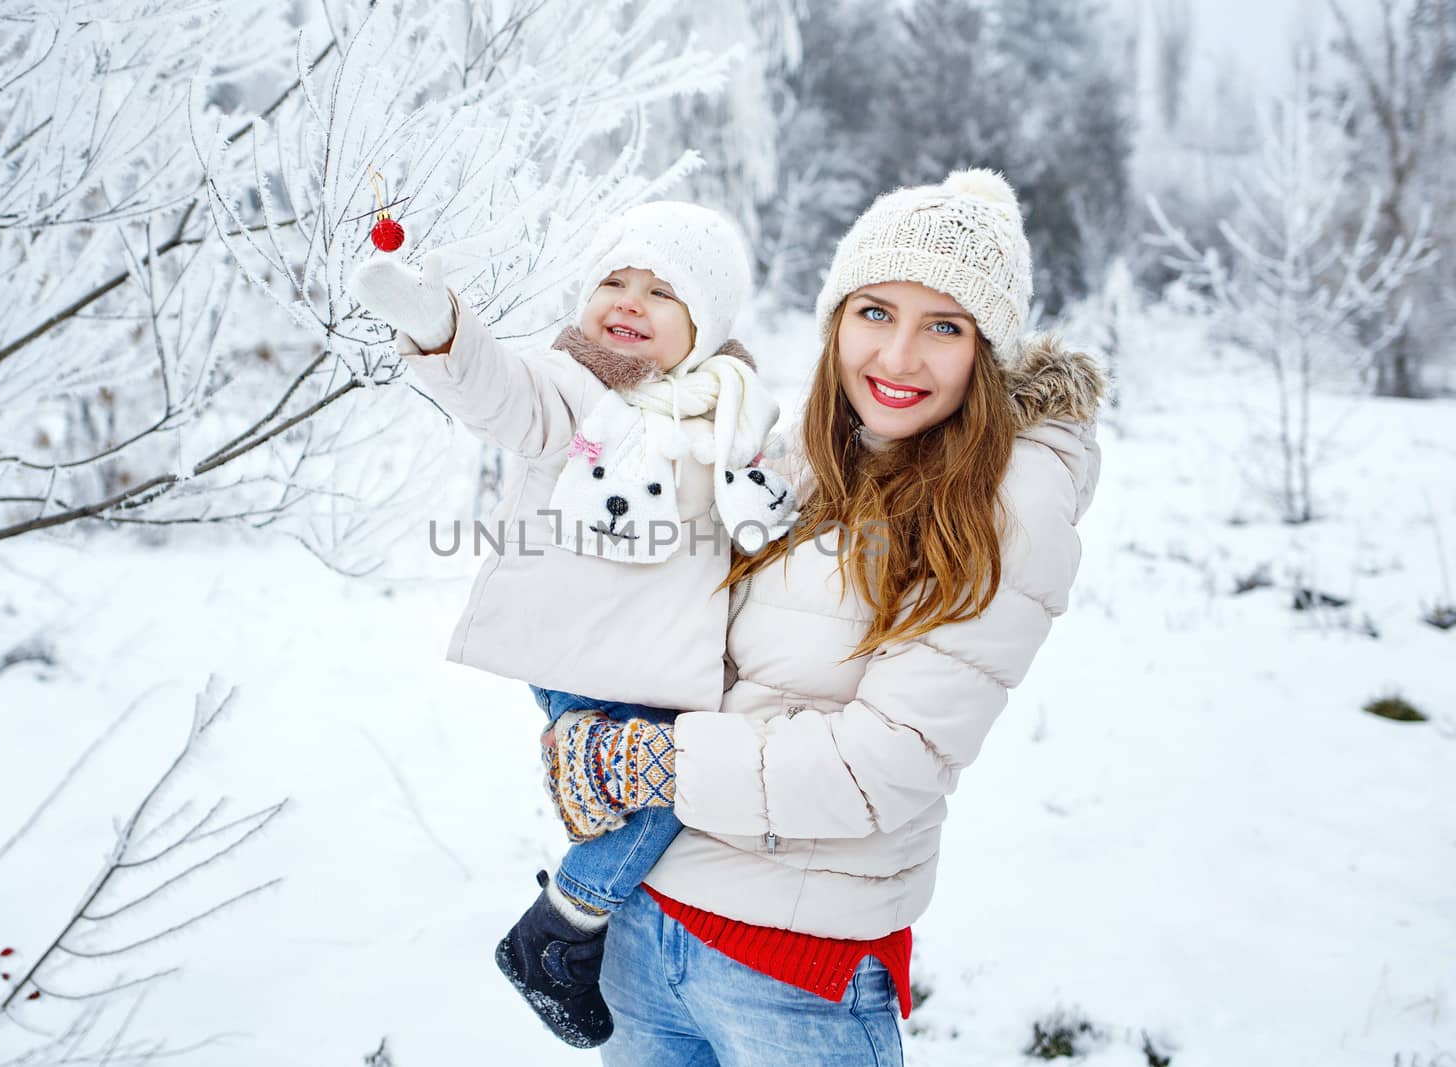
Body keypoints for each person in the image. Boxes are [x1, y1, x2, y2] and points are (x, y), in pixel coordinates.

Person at [539, 169, 1106, 1064]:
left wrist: (645, 761)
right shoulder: (799, 455)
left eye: (945, 326)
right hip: (644, 930)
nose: (898, 356)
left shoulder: (1004, 505)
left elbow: (884, 763)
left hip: (793, 980)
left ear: (987, 356)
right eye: (875, 311)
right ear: (836, 316)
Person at [347, 201, 795, 1049]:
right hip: (580, 652)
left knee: (664, 787)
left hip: (660, 664)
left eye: (661, 291)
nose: (628, 301)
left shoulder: (730, 411)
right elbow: (501, 395)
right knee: (667, 789)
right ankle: (557, 931)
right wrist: (443, 333)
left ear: (706, 323)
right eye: (614, 281)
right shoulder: (573, 388)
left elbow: (747, 518)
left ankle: (578, 929)